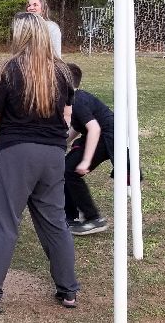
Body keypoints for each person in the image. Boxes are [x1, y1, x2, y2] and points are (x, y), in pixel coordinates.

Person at [0, 12, 79, 314]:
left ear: (20, 36)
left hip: (14, 154)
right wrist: (54, 146)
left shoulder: (6, 70)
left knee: (3, 224)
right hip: (53, 155)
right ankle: (68, 292)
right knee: (55, 222)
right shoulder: (63, 72)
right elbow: (67, 118)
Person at [64, 63, 114, 236]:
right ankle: (70, 217)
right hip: (101, 134)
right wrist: (64, 142)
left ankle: (94, 219)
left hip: (108, 137)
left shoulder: (77, 101)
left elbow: (94, 129)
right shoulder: (75, 98)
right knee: (66, 168)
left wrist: (85, 161)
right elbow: (78, 126)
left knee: (69, 170)